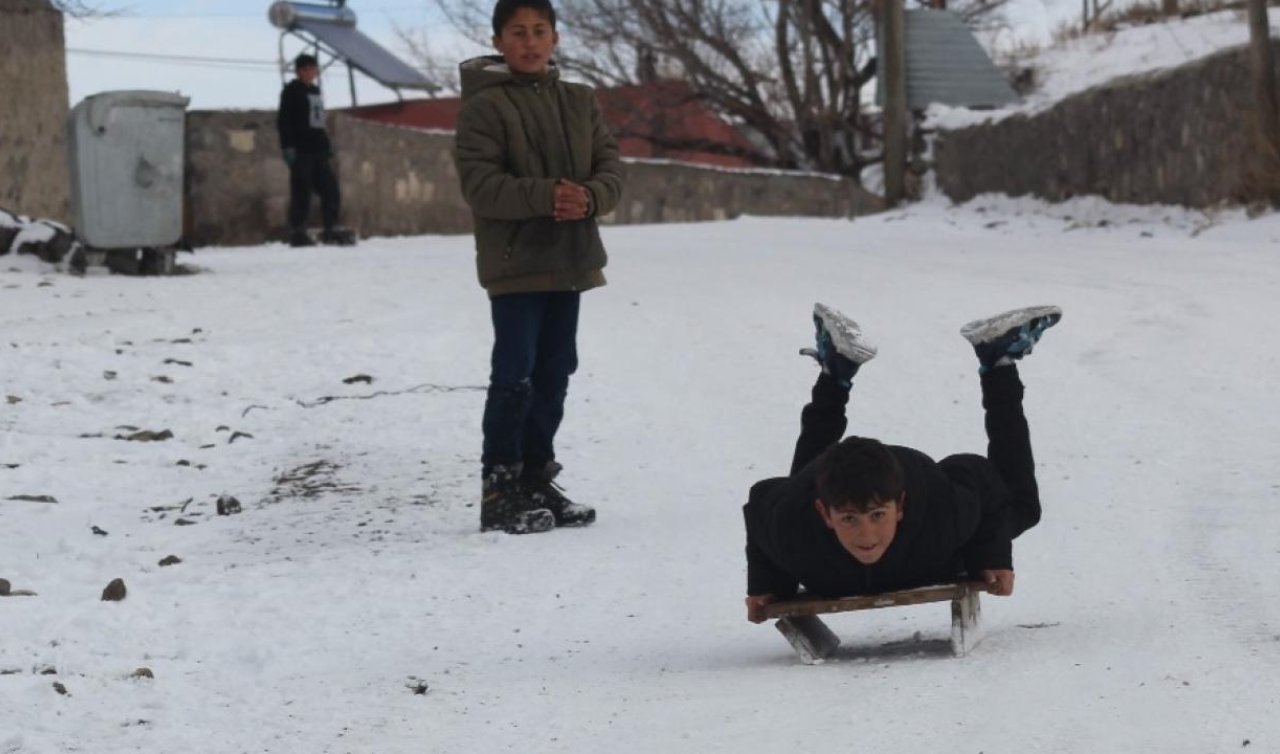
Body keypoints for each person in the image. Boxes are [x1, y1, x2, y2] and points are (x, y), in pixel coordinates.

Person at [743, 303, 1062, 623]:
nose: (866, 535)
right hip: (809, 503)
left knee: (1021, 509)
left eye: (878, 515)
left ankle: (998, 360)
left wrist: (992, 556)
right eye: (849, 519)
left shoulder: (944, 516)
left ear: (901, 506)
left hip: (926, 486)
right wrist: (768, 585)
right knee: (798, 495)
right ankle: (835, 373)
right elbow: (760, 504)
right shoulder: (790, 531)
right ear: (825, 514)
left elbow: (978, 474)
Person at [455, 0, 625, 535]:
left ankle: (535, 476)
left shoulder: (579, 101)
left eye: (539, 31)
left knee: (555, 373)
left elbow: (611, 167)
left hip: (568, 260)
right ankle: (499, 487)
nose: (529, 42)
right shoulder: (484, 108)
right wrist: (548, 196)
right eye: (517, 32)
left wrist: (591, 198)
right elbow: (481, 185)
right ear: (499, 42)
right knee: (515, 375)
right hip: (516, 264)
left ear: (556, 38)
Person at [276, 53, 352, 247]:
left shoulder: (315, 91)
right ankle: (298, 231)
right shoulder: (291, 92)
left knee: (330, 190)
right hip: (300, 149)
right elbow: (284, 121)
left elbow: (319, 122)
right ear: (299, 71)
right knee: (302, 191)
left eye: (313, 69)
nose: (311, 73)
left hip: (318, 148)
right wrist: (287, 147)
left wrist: (326, 145)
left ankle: (330, 229)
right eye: (307, 69)